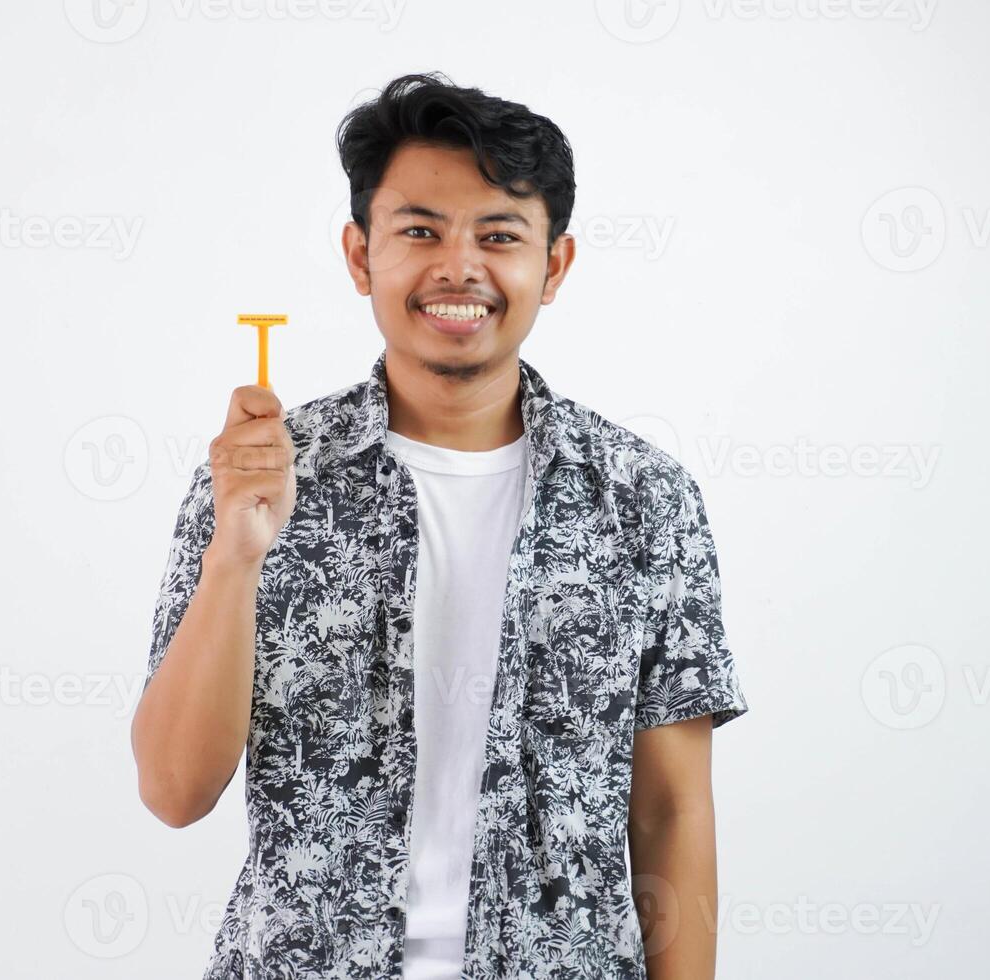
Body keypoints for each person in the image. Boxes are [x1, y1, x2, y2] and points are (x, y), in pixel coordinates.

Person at [131, 71, 748, 980]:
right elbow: (175, 792)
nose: (458, 267)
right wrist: (236, 553)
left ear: (555, 266)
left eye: (499, 236)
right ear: (359, 255)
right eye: (419, 231)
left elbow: (671, 813)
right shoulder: (256, 477)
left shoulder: (642, 500)